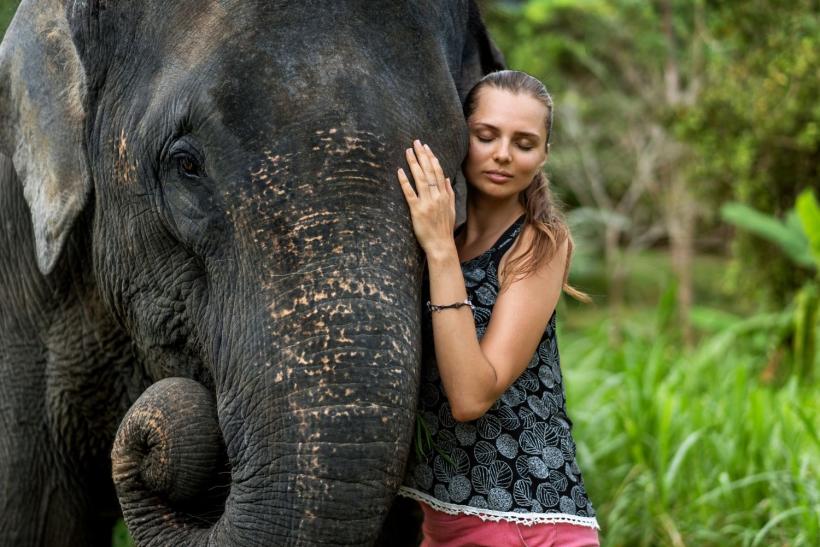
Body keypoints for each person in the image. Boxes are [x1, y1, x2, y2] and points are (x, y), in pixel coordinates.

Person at [394, 70, 600, 547]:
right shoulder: (441, 239)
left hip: (527, 526)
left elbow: (471, 397)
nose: (503, 154)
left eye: (524, 143)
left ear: (544, 155)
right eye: (486, 136)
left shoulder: (539, 245)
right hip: (442, 523)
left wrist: (441, 251)